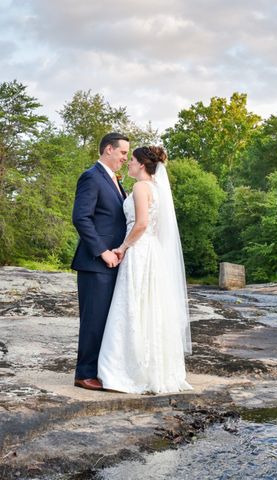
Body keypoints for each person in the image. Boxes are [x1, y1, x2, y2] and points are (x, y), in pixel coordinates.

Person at [97, 146, 192, 394]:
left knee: (134, 306)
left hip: (139, 251)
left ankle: (129, 370)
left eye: (132, 160)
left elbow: (140, 224)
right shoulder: (157, 190)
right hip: (153, 251)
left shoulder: (141, 187)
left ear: (141, 164)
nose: (128, 163)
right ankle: (155, 370)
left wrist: (122, 247)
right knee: (149, 308)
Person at [71, 132, 129, 391]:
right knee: (93, 319)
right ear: (108, 149)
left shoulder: (115, 180)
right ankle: (84, 374)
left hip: (115, 261)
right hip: (95, 262)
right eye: (123, 153)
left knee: (108, 319)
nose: (125, 159)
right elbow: (81, 217)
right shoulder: (91, 176)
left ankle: (102, 369)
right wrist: (102, 251)